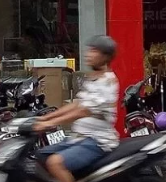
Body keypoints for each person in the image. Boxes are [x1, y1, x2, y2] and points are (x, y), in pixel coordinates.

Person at [34, 36, 119, 182]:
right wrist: (44, 118)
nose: (88, 54)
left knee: (55, 163)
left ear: (105, 57)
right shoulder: (93, 79)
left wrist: (49, 123)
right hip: (78, 138)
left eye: (94, 51)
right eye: (89, 50)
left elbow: (83, 111)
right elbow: (77, 104)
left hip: (97, 141)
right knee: (40, 155)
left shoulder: (107, 82)